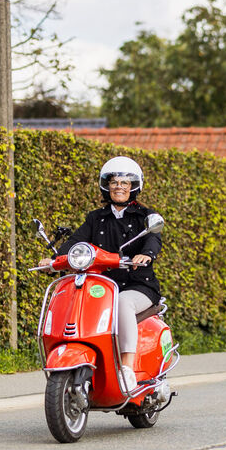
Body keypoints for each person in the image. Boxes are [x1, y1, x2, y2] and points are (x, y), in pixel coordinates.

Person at [37, 156, 162, 392]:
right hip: (103, 285)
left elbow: (153, 238)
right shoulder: (96, 218)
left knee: (122, 303)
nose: (119, 187)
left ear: (134, 186)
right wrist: (55, 260)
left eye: (125, 183)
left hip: (138, 285)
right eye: (114, 182)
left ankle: (125, 367)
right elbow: (76, 242)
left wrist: (146, 254)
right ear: (106, 185)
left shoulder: (144, 216)